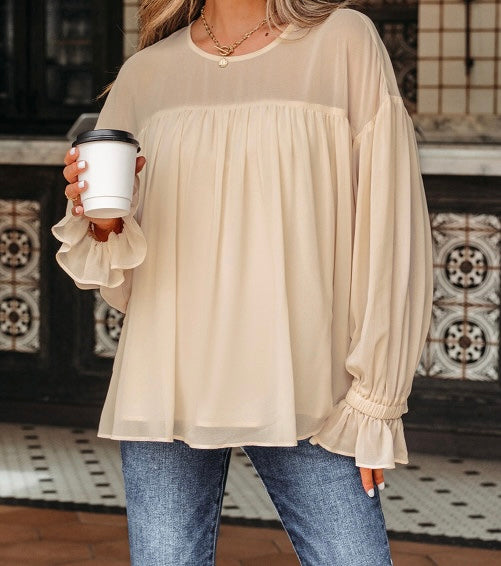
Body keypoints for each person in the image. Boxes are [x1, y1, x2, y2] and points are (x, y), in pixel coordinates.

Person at [52, 0, 433, 564]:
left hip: (310, 386)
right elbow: (124, 275)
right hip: (167, 383)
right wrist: (102, 221)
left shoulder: (343, 42)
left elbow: (390, 225)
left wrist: (375, 400)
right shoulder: (147, 73)